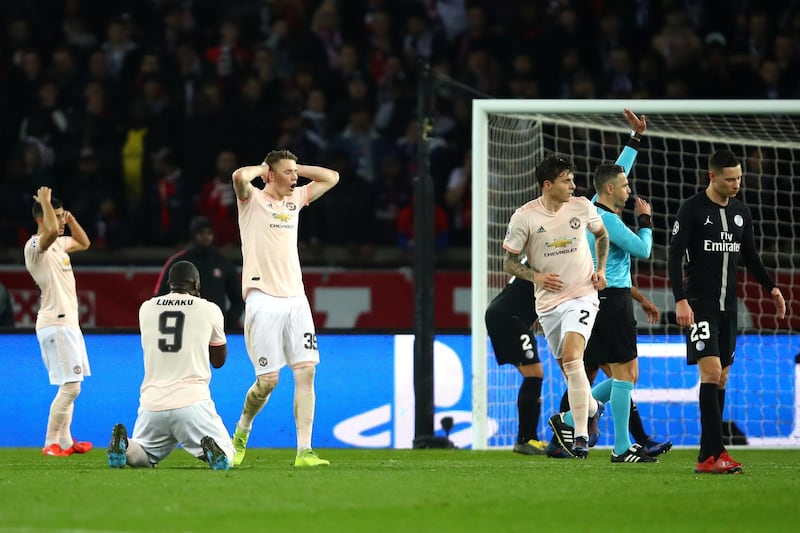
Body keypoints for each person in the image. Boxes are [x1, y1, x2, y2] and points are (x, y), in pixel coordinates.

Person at [549, 109, 665, 463]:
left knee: (619, 376)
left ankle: (568, 419)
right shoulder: (608, 222)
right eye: (626, 187)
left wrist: (635, 139)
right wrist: (645, 220)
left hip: (595, 298)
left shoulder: (594, 205)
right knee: (626, 374)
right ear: (611, 190)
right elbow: (643, 250)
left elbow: (616, 175)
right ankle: (620, 447)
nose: (630, 190)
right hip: (611, 300)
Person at [668, 148, 786, 474]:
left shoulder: (741, 212)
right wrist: (680, 300)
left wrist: (771, 287)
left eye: (739, 178)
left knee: (720, 377)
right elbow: (674, 257)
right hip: (700, 306)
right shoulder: (692, 210)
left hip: (728, 309)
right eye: (730, 179)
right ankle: (715, 453)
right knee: (710, 372)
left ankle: (708, 456)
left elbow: (750, 255)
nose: (736, 184)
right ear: (712, 176)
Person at [230, 148, 339, 467]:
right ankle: (242, 430)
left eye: (296, 172)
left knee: (306, 372)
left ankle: (304, 451)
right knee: (268, 382)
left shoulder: (296, 199)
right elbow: (239, 176)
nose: (296, 177)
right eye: (288, 172)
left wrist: (295, 167)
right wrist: (264, 168)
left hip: (296, 299)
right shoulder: (252, 201)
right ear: (270, 175)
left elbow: (332, 177)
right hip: (263, 298)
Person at [502, 149, 609, 459]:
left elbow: (601, 236)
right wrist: (536, 276)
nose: (573, 186)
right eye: (566, 181)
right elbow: (509, 262)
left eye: (573, 180)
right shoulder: (525, 216)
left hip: (582, 295)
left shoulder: (582, 207)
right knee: (570, 371)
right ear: (548, 185)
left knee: (576, 359)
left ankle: (579, 438)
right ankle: (592, 407)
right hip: (548, 306)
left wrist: (600, 269)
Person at [106, 260, 234, 470]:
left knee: (144, 457)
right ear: (195, 285)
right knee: (228, 454)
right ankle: (211, 449)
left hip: (152, 404)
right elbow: (218, 361)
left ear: (169, 283)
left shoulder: (146, 308)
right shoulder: (210, 309)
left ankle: (125, 445)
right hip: (191, 402)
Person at [23, 186, 93, 457]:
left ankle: (65, 441)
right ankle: (50, 442)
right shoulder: (33, 246)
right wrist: (45, 201)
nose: (61, 221)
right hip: (55, 322)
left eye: (63, 216)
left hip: (69, 324)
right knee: (71, 386)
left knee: (72, 383)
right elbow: (50, 231)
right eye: (57, 215)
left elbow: (85, 243)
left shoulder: (60, 244)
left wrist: (71, 219)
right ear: (41, 217)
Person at [484, 270, 547, 456]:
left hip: (507, 317)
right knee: (534, 375)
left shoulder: (543, 255)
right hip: (509, 318)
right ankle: (525, 440)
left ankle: (529, 439)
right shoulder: (548, 257)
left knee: (534, 376)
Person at [153, 215, 244, 330]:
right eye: (201, 233)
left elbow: (238, 300)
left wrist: (226, 322)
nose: (206, 237)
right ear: (193, 235)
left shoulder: (223, 263)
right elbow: (160, 297)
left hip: (214, 329)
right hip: (185, 328)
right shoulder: (178, 262)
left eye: (209, 233)